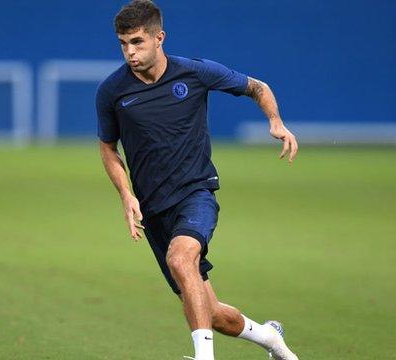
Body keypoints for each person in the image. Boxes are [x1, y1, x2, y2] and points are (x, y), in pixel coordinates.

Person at [96, 1, 299, 359]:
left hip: (195, 193)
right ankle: (270, 338)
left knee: (180, 258)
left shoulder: (194, 72)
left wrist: (276, 122)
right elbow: (108, 149)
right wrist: (126, 195)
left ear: (160, 38)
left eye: (138, 42)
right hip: (153, 211)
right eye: (124, 43)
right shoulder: (112, 91)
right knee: (213, 313)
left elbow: (257, 87)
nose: (130, 52)